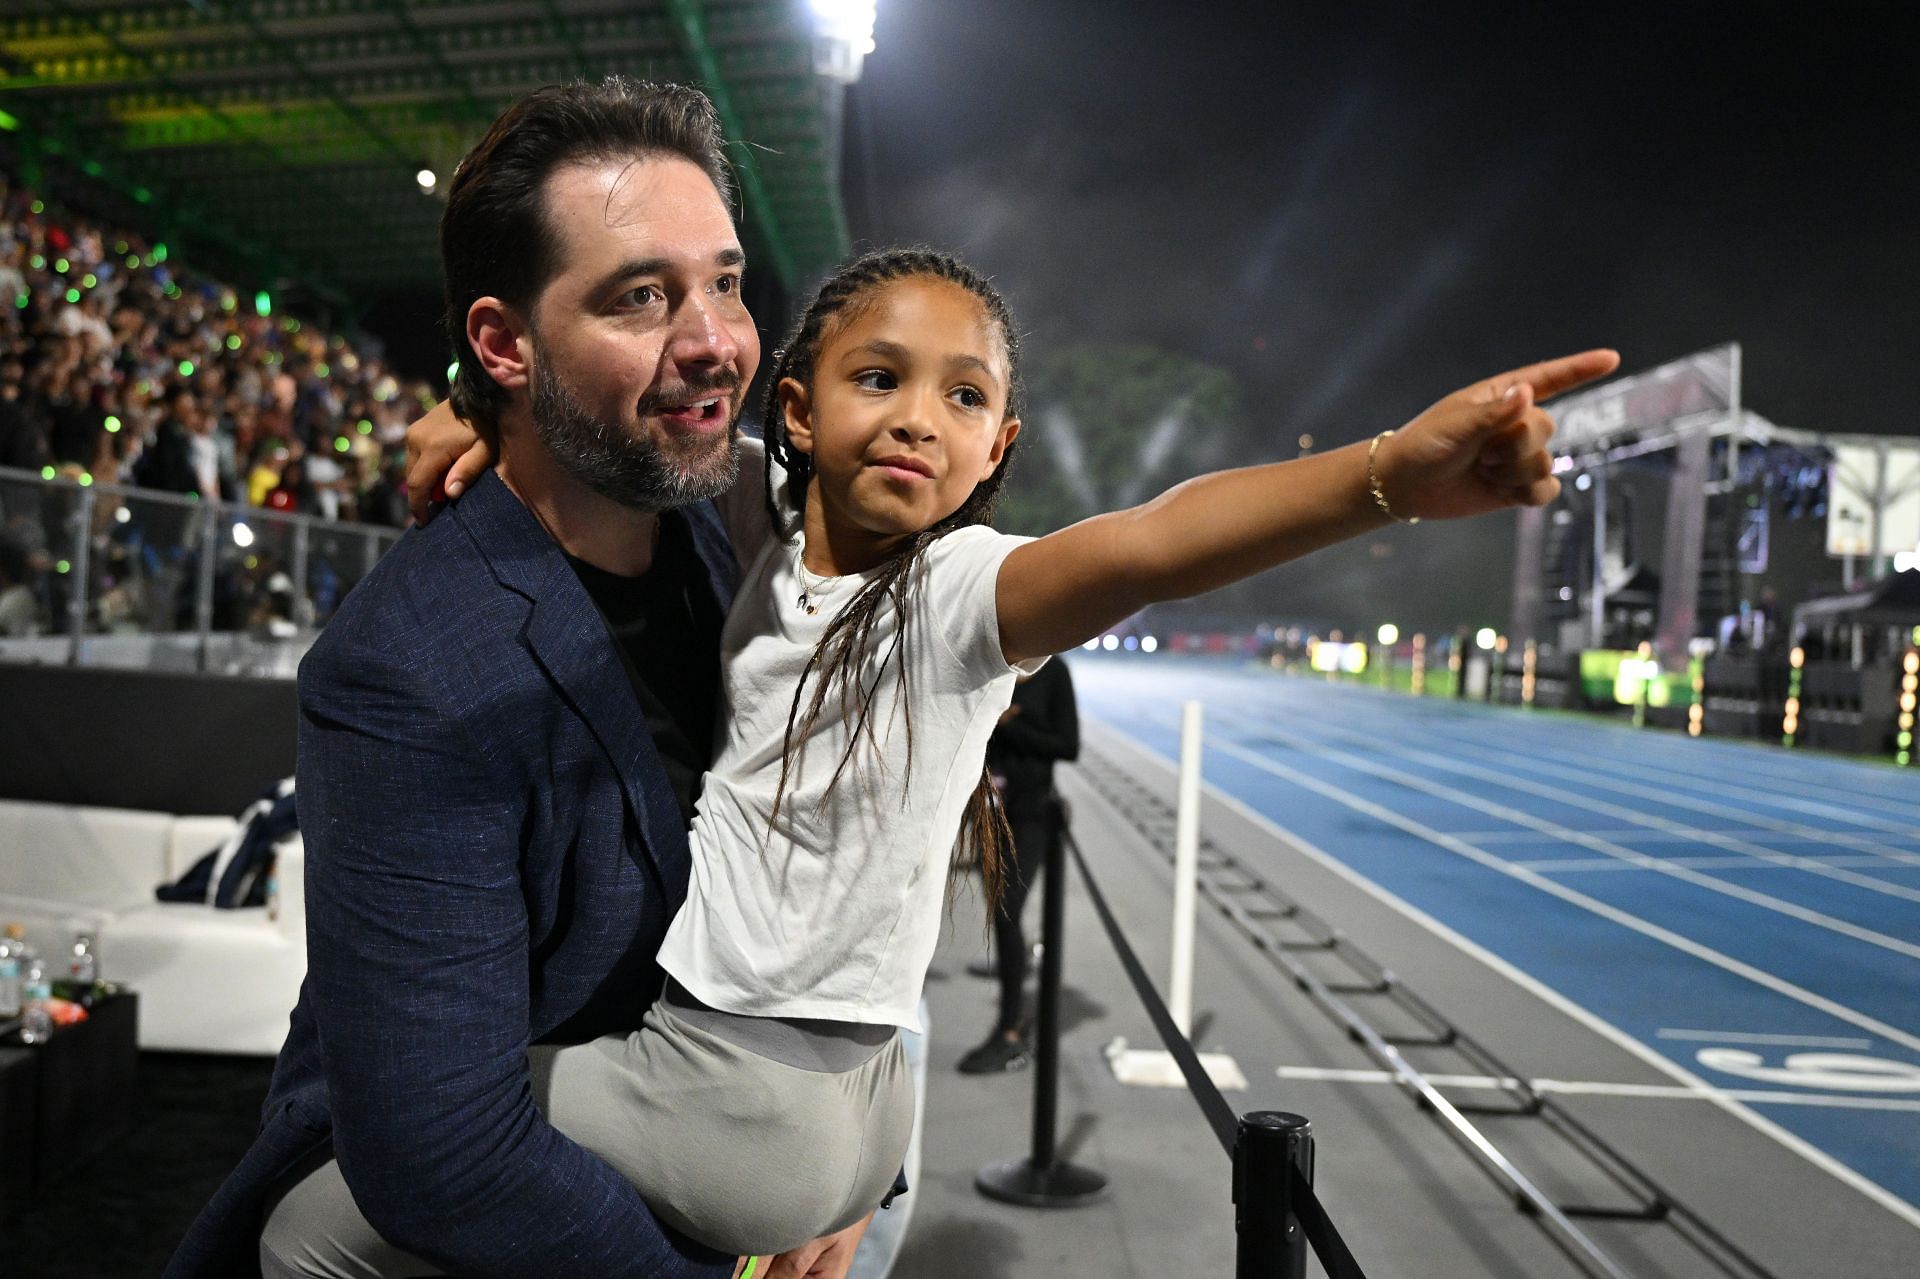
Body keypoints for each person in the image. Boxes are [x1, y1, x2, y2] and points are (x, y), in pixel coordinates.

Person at [409, 239, 1617, 1266]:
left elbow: (1153, 541)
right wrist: (491, 418)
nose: (919, 418)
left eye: (966, 397)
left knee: (365, 1171)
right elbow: (647, 443)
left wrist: (1385, 477)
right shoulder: (762, 541)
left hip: (750, 1092)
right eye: (878, 377)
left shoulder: (958, 590)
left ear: (1000, 447)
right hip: (850, 1101)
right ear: (797, 408)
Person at [166, 78, 868, 1279]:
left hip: (721, 1144)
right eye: (641, 296)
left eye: (726, 280)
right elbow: (444, 1152)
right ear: (501, 342)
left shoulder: (734, 525)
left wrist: (841, 1169)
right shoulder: (408, 675)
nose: (714, 338)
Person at [959, 658, 1080, 1074]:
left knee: (1008, 911)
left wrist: (1010, 723)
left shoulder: (1054, 673)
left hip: (1030, 814)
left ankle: (1010, 1032)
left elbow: (1068, 745)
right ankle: (1013, 983)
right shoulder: (992, 663)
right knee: (999, 910)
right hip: (989, 810)